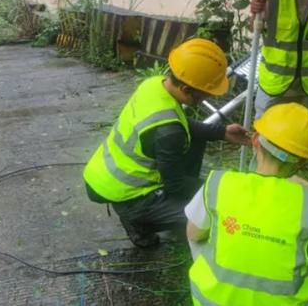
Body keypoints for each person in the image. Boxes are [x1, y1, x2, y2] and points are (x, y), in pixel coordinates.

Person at [83, 38, 251, 248]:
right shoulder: (168, 133)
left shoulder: (154, 85)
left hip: (104, 175)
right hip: (129, 193)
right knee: (208, 217)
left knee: (196, 141)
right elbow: (176, 185)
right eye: (206, 91)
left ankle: (142, 213)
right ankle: (137, 222)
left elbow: (179, 123)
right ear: (187, 89)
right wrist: (220, 188)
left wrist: (223, 132)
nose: (209, 95)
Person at [185, 103, 308, 306]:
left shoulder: (219, 183)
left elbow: (193, 234)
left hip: (211, 301)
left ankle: (219, 282)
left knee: (198, 230)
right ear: (302, 163)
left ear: (255, 141)